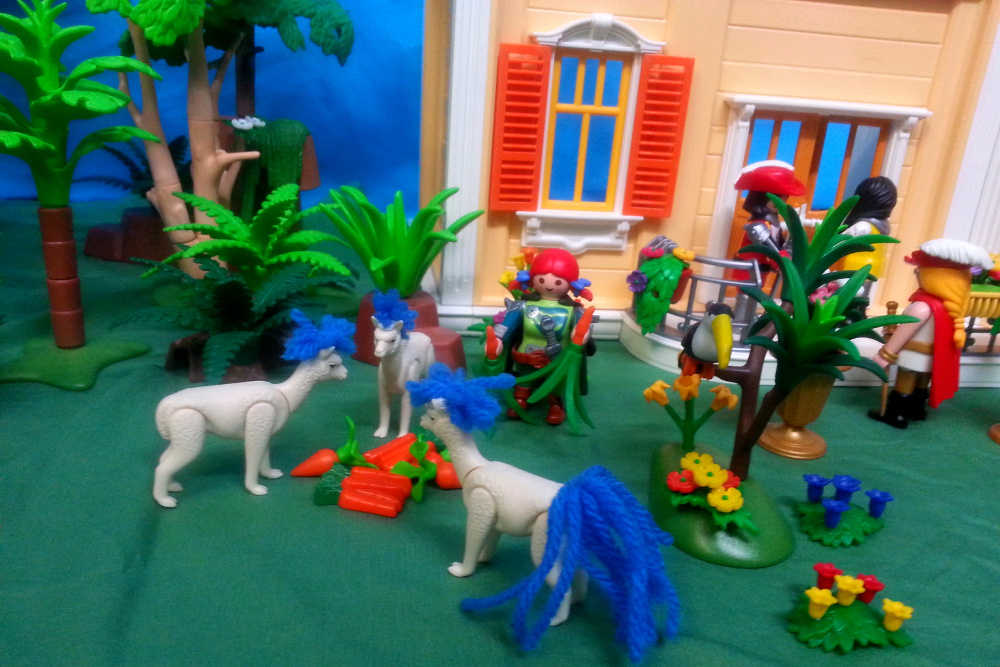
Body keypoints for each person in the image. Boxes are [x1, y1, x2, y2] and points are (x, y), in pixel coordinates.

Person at [869, 238, 993, 428]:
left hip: (912, 356)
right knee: (922, 382)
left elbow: (904, 333)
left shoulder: (921, 307)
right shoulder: (952, 307)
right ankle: (917, 409)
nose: (917, 274)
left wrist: (885, 354)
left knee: (906, 380)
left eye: (920, 272)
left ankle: (897, 415)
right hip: (933, 358)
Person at [491, 248, 596, 425]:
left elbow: (582, 330)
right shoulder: (523, 305)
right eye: (541, 279)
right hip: (528, 355)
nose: (549, 285)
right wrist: (497, 340)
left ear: (570, 284)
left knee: (555, 382)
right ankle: (520, 400)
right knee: (525, 379)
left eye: (558, 281)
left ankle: (556, 404)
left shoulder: (574, 310)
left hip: (558, 359)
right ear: (532, 279)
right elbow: (505, 327)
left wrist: (580, 335)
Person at [732, 160, 806, 279]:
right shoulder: (758, 225)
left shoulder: (773, 224)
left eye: (784, 199)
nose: (781, 203)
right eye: (776, 198)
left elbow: (780, 245)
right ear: (761, 199)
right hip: (748, 272)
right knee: (747, 291)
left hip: (761, 271)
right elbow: (771, 249)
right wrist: (781, 260)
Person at [841, 176, 898, 279]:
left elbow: (837, 243)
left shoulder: (863, 226)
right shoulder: (882, 224)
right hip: (871, 269)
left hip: (854, 271)